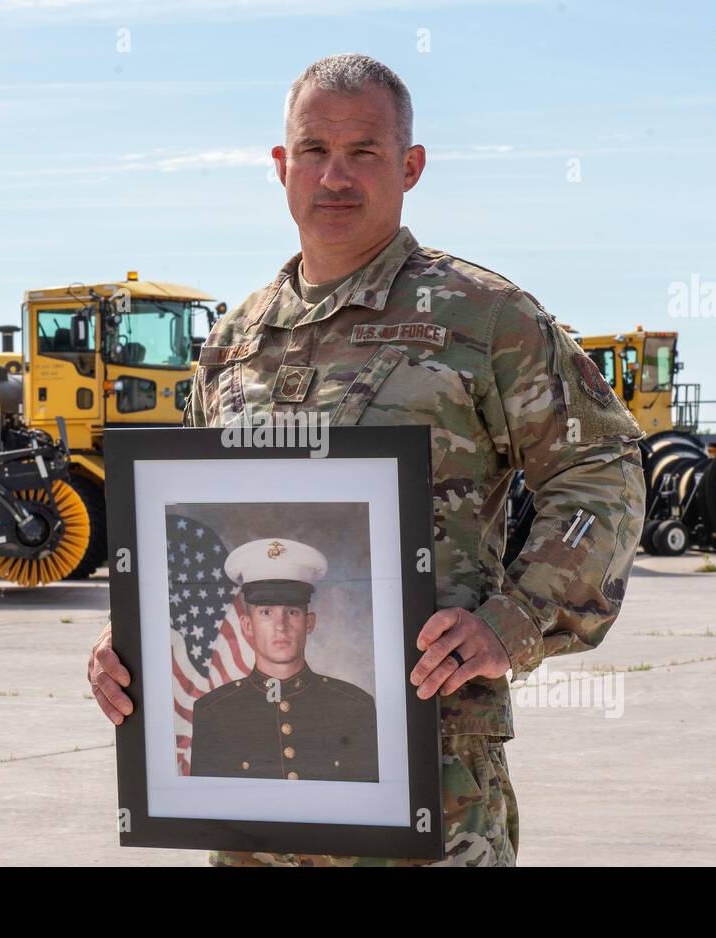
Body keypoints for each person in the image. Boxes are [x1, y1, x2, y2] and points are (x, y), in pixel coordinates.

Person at [87, 53, 646, 867]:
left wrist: (516, 620)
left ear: (410, 166)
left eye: (365, 152)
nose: (335, 176)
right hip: (252, 813)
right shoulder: (234, 343)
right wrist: (133, 639)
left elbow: (602, 470)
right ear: (282, 167)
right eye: (314, 150)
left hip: (432, 776)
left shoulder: (485, 319)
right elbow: (188, 520)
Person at [189, 537, 378, 782]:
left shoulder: (355, 706)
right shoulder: (213, 712)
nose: (281, 625)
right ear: (247, 625)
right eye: (266, 612)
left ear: (309, 622)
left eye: (292, 611)